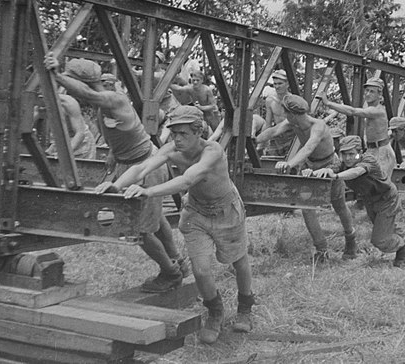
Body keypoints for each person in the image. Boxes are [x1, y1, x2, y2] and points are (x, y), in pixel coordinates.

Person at [109, 105, 255, 344]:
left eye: (183, 133)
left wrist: (148, 190)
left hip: (226, 211)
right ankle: (215, 312)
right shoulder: (171, 149)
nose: (176, 138)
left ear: (199, 132)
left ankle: (246, 306)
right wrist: (116, 186)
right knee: (200, 269)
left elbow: (187, 178)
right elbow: (141, 167)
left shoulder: (213, 150)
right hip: (196, 212)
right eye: (173, 132)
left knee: (238, 261)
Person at [43, 54, 188, 292]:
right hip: (130, 163)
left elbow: (90, 95)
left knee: (140, 229)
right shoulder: (104, 107)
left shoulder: (113, 99)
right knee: (155, 217)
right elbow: (116, 132)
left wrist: (56, 75)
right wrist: (113, 153)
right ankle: (179, 262)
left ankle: (171, 273)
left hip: (146, 165)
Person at [255, 94, 357, 263]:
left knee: (339, 205)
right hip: (309, 167)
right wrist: (253, 140)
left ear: (292, 114)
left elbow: (309, 147)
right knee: (306, 207)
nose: (285, 116)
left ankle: (351, 240)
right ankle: (321, 250)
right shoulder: (291, 123)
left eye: (286, 113)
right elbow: (273, 131)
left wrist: (289, 163)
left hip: (328, 167)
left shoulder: (319, 126)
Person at [307, 136, 405, 268]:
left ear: (360, 152)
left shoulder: (368, 160)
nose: (347, 158)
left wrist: (336, 176)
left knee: (379, 240)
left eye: (351, 154)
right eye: (344, 154)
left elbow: (357, 172)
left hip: (387, 199)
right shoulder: (342, 164)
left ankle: (403, 248)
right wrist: (314, 173)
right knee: (386, 227)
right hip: (370, 200)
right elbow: (331, 168)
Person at [322, 77, 396, 178]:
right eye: (366, 91)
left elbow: (352, 111)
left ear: (379, 95)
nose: (368, 94)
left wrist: (328, 103)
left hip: (382, 151)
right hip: (371, 150)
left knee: (381, 181)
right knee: (364, 177)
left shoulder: (377, 111)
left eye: (372, 92)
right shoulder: (368, 106)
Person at [42, 89, 97, 160]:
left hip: (81, 142)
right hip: (62, 139)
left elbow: (80, 133)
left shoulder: (68, 103)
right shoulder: (33, 102)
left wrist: (65, 154)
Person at [262, 70, 294, 156]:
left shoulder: (293, 100)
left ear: (287, 84)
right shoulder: (270, 100)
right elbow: (267, 124)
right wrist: (261, 144)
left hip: (292, 138)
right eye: (275, 84)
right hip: (277, 138)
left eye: (280, 84)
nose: (277, 86)